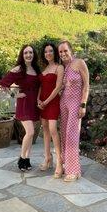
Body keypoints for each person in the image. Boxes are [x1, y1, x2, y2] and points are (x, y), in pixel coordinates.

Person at [0, 45, 40, 172]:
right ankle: (22, 158)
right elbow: (3, 84)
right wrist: (15, 95)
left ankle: (27, 160)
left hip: (34, 104)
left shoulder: (36, 69)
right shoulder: (19, 69)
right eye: (26, 53)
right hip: (24, 104)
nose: (28, 55)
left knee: (30, 134)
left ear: (34, 54)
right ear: (22, 55)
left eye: (31, 52)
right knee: (30, 132)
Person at [58, 40, 90, 181]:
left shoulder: (80, 63)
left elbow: (86, 86)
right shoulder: (63, 68)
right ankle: (67, 166)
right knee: (64, 134)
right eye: (61, 52)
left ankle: (73, 171)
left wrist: (83, 104)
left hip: (76, 103)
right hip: (63, 103)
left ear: (71, 50)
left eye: (65, 50)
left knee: (72, 135)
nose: (63, 53)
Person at [37, 42, 64, 178]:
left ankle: (60, 161)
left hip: (52, 103)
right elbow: (40, 86)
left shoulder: (59, 67)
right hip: (42, 103)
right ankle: (48, 158)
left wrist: (46, 102)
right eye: (46, 51)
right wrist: (38, 100)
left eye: (51, 51)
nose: (48, 53)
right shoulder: (44, 68)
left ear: (55, 53)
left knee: (53, 130)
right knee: (45, 130)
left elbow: (58, 87)